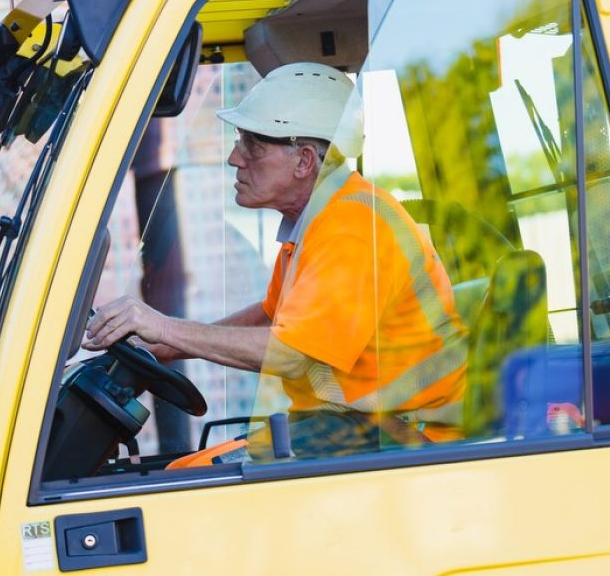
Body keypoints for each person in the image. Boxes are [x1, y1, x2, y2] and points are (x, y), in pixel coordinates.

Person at [84, 62, 467, 454]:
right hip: (353, 432)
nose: (235, 158)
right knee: (188, 472)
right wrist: (168, 346)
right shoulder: (319, 220)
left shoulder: (352, 227)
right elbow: (273, 316)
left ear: (303, 160)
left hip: (405, 442)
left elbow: (294, 353)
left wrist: (167, 330)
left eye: (253, 144)